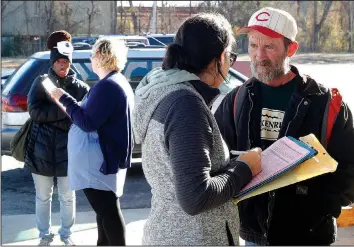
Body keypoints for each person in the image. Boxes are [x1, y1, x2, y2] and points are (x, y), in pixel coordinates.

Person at [214, 7, 354, 246]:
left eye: (269, 47)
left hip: (309, 236)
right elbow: (218, 162)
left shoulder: (325, 102)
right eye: (253, 45)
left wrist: (321, 208)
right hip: (254, 236)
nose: (258, 56)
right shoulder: (236, 100)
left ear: (292, 49)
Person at [132, 13, 262, 246]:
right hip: (193, 237)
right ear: (220, 58)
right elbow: (196, 196)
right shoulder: (184, 104)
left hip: (171, 233)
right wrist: (245, 168)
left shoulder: (165, 91)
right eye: (230, 57)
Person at [49, 38, 134, 246]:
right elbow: (91, 115)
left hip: (97, 162)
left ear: (100, 57)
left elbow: (87, 122)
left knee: (108, 212)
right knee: (104, 214)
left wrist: (64, 99)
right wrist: (70, 104)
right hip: (101, 159)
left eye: (92, 55)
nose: (90, 59)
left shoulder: (108, 86)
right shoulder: (114, 82)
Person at [25, 30, 90, 246]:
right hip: (41, 150)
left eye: (66, 62)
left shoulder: (80, 87)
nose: (63, 65)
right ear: (52, 63)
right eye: (59, 61)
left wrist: (55, 113)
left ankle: (66, 234)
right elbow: (34, 112)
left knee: (68, 197)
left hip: (69, 152)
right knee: (43, 197)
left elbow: (85, 116)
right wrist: (66, 110)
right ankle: (44, 235)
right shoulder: (41, 83)